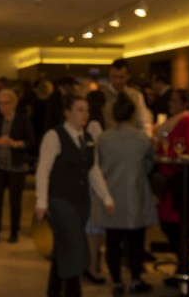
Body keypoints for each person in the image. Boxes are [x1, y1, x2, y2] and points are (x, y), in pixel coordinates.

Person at [36, 94, 115, 297]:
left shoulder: (88, 138)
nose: (85, 114)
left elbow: (93, 170)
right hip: (59, 199)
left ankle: (54, 289)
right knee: (75, 244)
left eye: (86, 110)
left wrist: (106, 197)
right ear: (67, 113)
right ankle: (73, 291)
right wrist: (41, 201)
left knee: (64, 244)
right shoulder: (54, 136)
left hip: (81, 202)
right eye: (80, 110)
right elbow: (43, 170)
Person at [95, 93, 157, 296]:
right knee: (136, 241)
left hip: (111, 194)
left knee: (113, 241)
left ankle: (116, 281)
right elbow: (149, 164)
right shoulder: (143, 139)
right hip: (135, 194)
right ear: (132, 114)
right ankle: (136, 279)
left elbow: (98, 165)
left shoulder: (104, 138)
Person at [153, 88, 189, 287]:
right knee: (173, 225)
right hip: (176, 179)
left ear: (185, 104)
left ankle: (183, 267)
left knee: (175, 225)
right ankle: (182, 266)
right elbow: (162, 137)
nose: (170, 104)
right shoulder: (181, 119)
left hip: (183, 179)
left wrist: (168, 152)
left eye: (174, 101)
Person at [0, 88, 35, 245]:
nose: (3, 107)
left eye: (6, 103)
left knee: (15, 200)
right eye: (0, 103)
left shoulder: (22, 119)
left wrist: (15, 144)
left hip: (17, 165)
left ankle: (14, 231)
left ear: (14, 103)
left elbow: (31, 142)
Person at [83, 89, 107, 285]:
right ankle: (92, 266)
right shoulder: (95, 125)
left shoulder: (89, 125)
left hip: (90, 179)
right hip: (95, 180)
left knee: (92, 226)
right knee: (94, 228)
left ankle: (91, 264)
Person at [101, 58, 152, 134]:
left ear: (128, 76)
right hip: (108, 138)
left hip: (131, 138)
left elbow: (144, 122)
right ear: (109, 76)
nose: (117, 81)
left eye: (121, 77)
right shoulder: (101, 95)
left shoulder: (136, 96)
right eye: (114, 77)